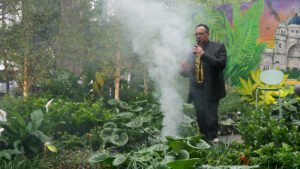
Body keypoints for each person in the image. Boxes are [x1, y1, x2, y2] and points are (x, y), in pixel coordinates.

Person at [180, 24, 227, 142]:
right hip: (197, 89)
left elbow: (220, 64)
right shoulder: (192, 50)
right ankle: (204, 142)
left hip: (212, 89)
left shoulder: (218, 47)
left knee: (210, 117)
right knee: (200, 117)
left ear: (208, 34)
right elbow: (188, 73)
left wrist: (203, 54)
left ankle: (213, 140)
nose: (198, 36)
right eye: (196, 34)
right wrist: (183, 70)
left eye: (201, 34)